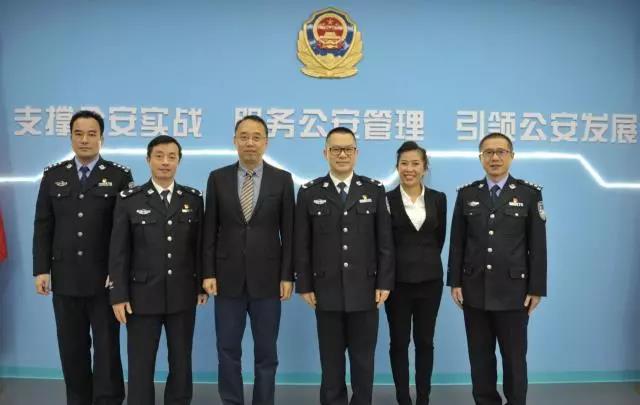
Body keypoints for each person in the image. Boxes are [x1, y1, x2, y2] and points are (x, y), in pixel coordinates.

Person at [33, 110, 129, 405]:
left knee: (106, 348)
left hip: (104, 280)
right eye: (78, 133)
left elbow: (124, 231)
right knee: (71, 348)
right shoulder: (53, 175)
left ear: (102, 138)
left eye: (91, 134)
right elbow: (43, 224)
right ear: (71, 137)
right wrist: (41, 269)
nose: (84, 139)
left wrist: (118, 273)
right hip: (65, 278)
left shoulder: (119, 176)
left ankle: (108, 400)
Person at [295, 126, 394, 405]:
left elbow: (385, 242)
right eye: (336, 149)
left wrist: (384, 282)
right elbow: (302, 244)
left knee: (363, 362)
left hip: (366, 290)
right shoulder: (309, 192)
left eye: (348, 149)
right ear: (325, 153)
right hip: (325, 291)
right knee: (331, 362)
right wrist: (305, 284)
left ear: (356, 153)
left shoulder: (374, 190)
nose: (342, 154)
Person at [447, 132, 547, 405]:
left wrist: (536, 288)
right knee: (480, 357)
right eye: (488, 152)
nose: (495, 157)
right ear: (480, 158)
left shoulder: (528, 194)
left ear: (511, 156)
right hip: (474, 290)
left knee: (514, 358)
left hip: (514, 293)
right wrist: (455, 282)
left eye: (501, 152)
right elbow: (457, 242)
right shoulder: (467, 194)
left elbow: (537, 245)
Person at [202, 115, 294, 405]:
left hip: (268, 280)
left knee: (266, 352)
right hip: (226, 279)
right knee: (227, 350)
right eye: (244, 136)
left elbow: (289, 233)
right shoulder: (217, 178)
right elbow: (209, 229)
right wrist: (208, 272)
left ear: (266, 142)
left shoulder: (282, 179)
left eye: (256, 137)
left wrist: (287, 275)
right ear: (235, 141)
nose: (250, 142)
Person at [108, 135, 207, 405]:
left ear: (179, 161)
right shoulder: (129, 199)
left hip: (182, 294)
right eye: (159, 156)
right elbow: (118, 251)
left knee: (181, 362)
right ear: (148, 159)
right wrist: (118, 294)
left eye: (172, 157)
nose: (165, 162)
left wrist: (200, 285)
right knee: (140, 364)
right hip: (141, 296)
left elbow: (199, 246)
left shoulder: (193, 199)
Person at [385, 141, 446, 405]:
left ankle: (423, 397)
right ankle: (403, 397)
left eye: (415, 163)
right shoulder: (385, 200)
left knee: (425, 342)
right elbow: (383, 243)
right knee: (399, 342)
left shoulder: (438, 199)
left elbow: (439, 239)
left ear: (424, 167)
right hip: (396, 284)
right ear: (397, 167)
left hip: (430, 283)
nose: (409, 169)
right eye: (404, 163)